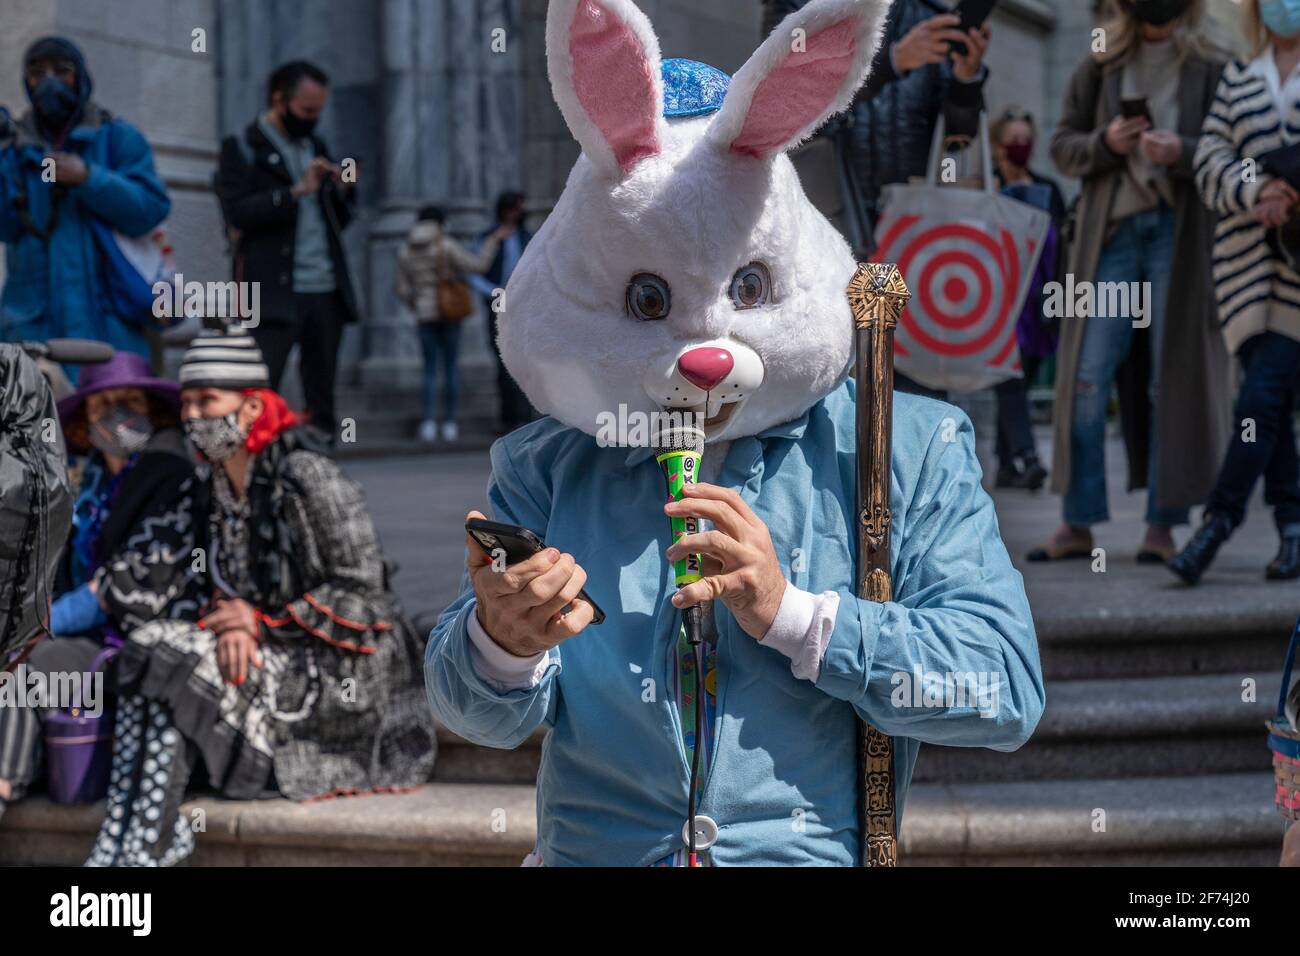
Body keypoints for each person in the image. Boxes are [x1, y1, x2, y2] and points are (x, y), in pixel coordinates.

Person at [428, 0, 1043, 867]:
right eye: (649, 301)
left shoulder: (904, 446)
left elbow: (1003, 690)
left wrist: (795, 617)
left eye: (747, 289)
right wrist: (501, 641)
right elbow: (474, 715)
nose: (706, 351)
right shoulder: (547, 464)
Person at [84, 330, 435, 866]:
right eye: (188, 403)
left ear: (251, 408)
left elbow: (367, 597)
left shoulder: (307, 476)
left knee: (171, 654)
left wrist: (262, 623)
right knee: (154, 646)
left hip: (338, 662)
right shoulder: (212, 489)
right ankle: (131, 834)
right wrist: (231, 623)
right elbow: (207, 589)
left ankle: (145, 843)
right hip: (253, 651)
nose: (194, 416)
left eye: (208, 402)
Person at [1030, 0, 1230, 564]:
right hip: (1110, 238)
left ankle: (1163, 526)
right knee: (1087, 377)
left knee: (1171, 378)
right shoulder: (1101, 57)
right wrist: (1106, 143)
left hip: (1178, 233)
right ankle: (1078, 522)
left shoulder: (1212, 61)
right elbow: (1063, 144)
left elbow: (1229, 152)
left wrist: (1184, 153)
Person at [765, 0, 991, 401]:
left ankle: (906, 465)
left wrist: (966, 81)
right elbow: (783, 100)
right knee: (833, 379)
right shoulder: (802, 9)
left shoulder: (927, 16)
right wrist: (891, 61)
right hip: (827, 228)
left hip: (906, 234)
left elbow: (958, 138)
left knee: (911, 382)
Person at [0, 353, 191, 823]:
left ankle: (3, 783)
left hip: (138, 640)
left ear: (153, 409)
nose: (116, 415)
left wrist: (45, 624)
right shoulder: (91, 483)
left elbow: (129, 582)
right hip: (80, 633)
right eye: (102, 405)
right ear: (85, 420)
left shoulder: (168, 477)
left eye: (129, 401)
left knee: (29, 671)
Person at [1170, 0, 1300, 584]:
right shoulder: (1241, 77)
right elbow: (1211, 159)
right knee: (1270, 404)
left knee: (1261, 398)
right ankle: (1293, 528)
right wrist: (1259, 191)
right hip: (1244, 271)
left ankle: (1218, 522)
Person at [0, 37, 170, 371]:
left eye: (61, 71)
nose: (49, 81)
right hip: (33, 326)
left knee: (112, 420)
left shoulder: (116, 138)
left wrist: (89, 179)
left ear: (81, 77)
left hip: (110, 325)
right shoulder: (18, 149)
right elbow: (7, 226)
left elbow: (149, 209)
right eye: (37, 73)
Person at [214, 60, 358, 441]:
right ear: (279, 99)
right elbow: (238, 213)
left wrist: (344, 190)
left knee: (322, 397)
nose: (313, 119)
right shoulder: (242, 148)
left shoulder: (315, 146)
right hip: (270, 292)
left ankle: (320, 475)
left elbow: (337, 223)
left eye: (319, 111)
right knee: (259, 390)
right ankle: (254, 474)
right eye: (307, 110)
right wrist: (295, 193)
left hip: (325, 290)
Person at [990, 106, 1066, 491]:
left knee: (1024, 375)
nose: (1020, 147)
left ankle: (1006, 464)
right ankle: (1029, 455)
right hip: (996, 301)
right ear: (997, 144)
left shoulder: (1048, 190)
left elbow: (1062, 246)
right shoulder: (985, 188)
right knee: (1010, 378)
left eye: (1026, 141)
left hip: (1038, 302)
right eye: (1012, 140)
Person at [396, 206, 508, 443]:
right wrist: (491, 242)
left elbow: (402, 288)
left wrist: (416, 304)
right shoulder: (445, 245)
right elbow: (477, 266)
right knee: (449, 368)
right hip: (449, 313)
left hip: (424, 315)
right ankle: (449, 423)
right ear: (440, 222)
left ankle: (428, 423)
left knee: (428, 370)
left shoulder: (405, 249)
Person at [469, 191, 536, 434]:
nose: (516, 214)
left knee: (524, 359)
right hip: (498, 303)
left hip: (523, 303)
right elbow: (474, 273)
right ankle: (508, 416)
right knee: (502, 360)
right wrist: (493, 292)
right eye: (513, 209)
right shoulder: (488, 238)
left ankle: (525, 414)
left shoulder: (527, 237)